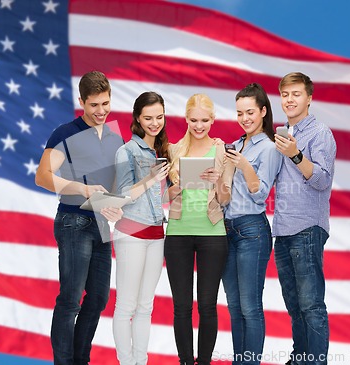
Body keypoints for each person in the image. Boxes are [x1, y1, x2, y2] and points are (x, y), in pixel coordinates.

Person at [35, 71, 124, 365]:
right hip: (73, 222)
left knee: (98, 298)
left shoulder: (113, 137)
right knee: (71, 299)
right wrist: (82, 188)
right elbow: (43, 177)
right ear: (81, 102)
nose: (101, 111)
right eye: (94, 105)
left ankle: (79, 359)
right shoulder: (66, 133)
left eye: (106, 103)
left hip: (100, 224)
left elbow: (112, 185)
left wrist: (116, 205)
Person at [164, 93, 234, 365]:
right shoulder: (173, 150)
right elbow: (162, 198)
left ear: (213, 119)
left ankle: (204, 361)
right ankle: (185, 361)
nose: (199, 125)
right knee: (181, 306)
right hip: (178, 233)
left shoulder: (221, 151)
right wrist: (176, 186)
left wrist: (218, 182)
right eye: (194, 120)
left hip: (212, 234)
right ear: (186, 119)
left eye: (205, 120)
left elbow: (226, 198)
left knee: (207, 305)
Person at [273, 72, 336, 365]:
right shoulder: (281, 134)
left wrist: (296, 155)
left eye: (296, 94)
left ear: (309, 98)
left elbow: (322, 180)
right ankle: (299, 359)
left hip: (308, 228)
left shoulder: (319, 133)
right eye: (285, 94)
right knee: (294, 305)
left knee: (311, 305)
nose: (289, 100)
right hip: (282, 230)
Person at [221, 83, 283, 365]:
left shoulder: (269, 148)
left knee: (250, 306)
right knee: (234, 306)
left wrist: (245, 166)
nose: (245, 118)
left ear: (263, 112)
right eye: (240, 113)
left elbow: (261, 194)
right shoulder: (235, 145)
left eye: (250, 112)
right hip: (227, 229)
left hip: (251, 230)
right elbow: (226, 191)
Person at [112, 91, 171, 365]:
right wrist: (149, 178)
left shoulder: (163, 152)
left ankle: (141, 361)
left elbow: (162, 199)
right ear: (137, 118)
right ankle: (126, 362)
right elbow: (122, 194)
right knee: (126, 306)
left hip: (157, 234)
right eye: (148, 118)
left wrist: (193, 181)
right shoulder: (126, 151)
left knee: (146, 306)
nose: (154, 123)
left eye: (159, 117)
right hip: (131, 234)